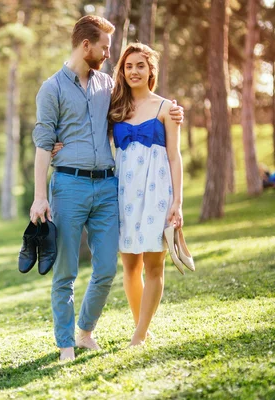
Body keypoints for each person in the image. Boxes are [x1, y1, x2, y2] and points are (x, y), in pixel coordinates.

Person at [30, 16, 184, 360]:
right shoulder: (51, 88)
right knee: (66, 270)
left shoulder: (106, 88)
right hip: (69, 185)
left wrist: (175, 113)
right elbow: (42, 144)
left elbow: (144, 110)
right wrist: (40, 196)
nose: (108, 54)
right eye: (104, 47)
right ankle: (65, 343)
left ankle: (85, 331)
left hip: (108, 189)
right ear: (87, 46)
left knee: (106, 269)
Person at [109, 43, 183, 346]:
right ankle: (142, 326)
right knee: (130, 266)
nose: (134, 71)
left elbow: (175, 156)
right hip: (124, 193)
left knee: (154, 266)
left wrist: (177, 201)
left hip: (157, 193)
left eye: (140, 65)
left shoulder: (167, 108)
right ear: (122, 72)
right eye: (128, 66)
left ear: (150, 70)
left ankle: (139, 334)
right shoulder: (114, 109)